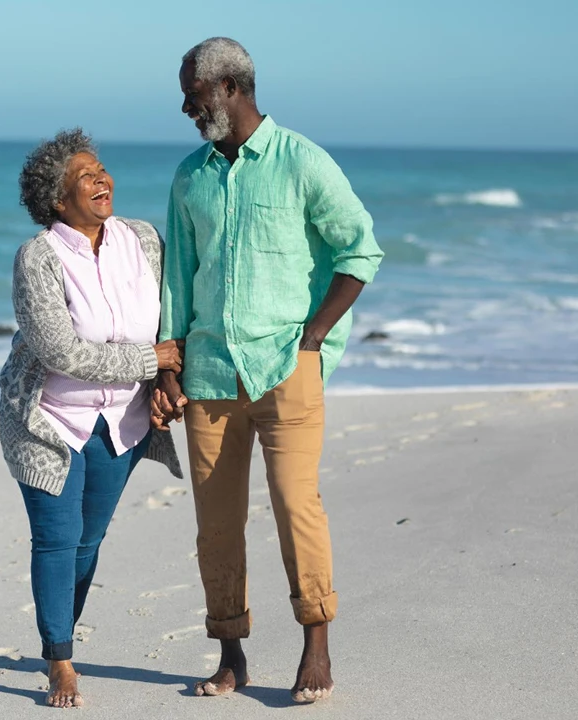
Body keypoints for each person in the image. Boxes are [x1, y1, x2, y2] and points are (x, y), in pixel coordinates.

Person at [151, 37, 384, 703]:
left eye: (194, 95)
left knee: (294, 505)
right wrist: (168, 363)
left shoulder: (301, 161)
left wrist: (313, 337)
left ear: (229, 88)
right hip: (210, 375)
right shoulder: (189, 176)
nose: (186, 108)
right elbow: (178, 281)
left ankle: (316, 646)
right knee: (216, 523)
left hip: (287, 367)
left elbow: (359, 249)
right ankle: (231, 653)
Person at [0, 128, 185, 708]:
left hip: (122, 423)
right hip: (50, 420)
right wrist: (148, 360)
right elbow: (60, 352)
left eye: (101, 169)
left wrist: (161, 380)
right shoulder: (39, 258)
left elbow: (166, 323)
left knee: (89, 540)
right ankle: (60, 660)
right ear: (58, 200)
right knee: (56, 539)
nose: (102, 179)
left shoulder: (143, 240)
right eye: (85, 175)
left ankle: (61, 636)